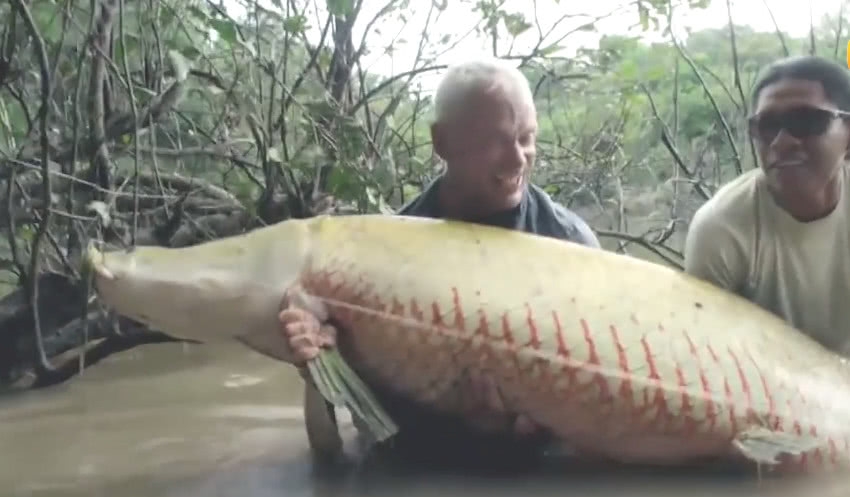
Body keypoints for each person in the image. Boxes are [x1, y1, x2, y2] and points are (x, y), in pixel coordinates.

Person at [279, 58, 601, 473]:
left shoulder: (572, 243)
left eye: (527, 138)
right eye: (497, 142)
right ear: (442, 142)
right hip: (424, 460)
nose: (518, 158)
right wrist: (315, 366)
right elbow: (349, 436)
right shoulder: (383, 259)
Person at [684, 54, 850, 354]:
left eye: (806, 121)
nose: (782, 142)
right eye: (767, 125)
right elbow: (706, 354)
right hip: (764, 392)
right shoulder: (723, 228)